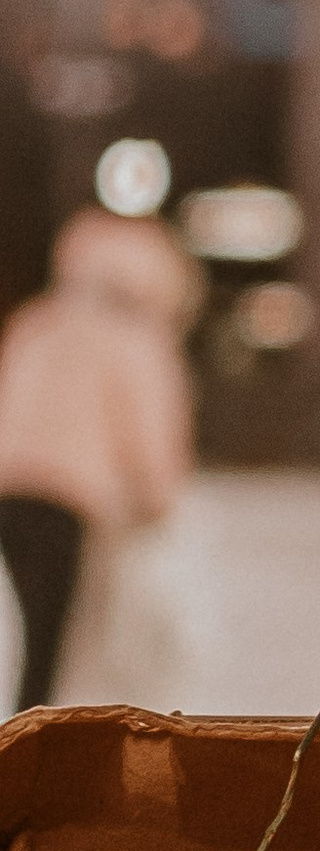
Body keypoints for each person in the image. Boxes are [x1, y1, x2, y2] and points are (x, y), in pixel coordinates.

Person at [0, 206, 198, 713]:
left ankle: (27, 742)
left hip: (10, 487)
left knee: (30, 635)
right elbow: (150, 434)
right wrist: (157, 500)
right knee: (62, 641)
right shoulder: (136, 339)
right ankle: (43, 755)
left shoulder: (39, 320)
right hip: (72, 499)